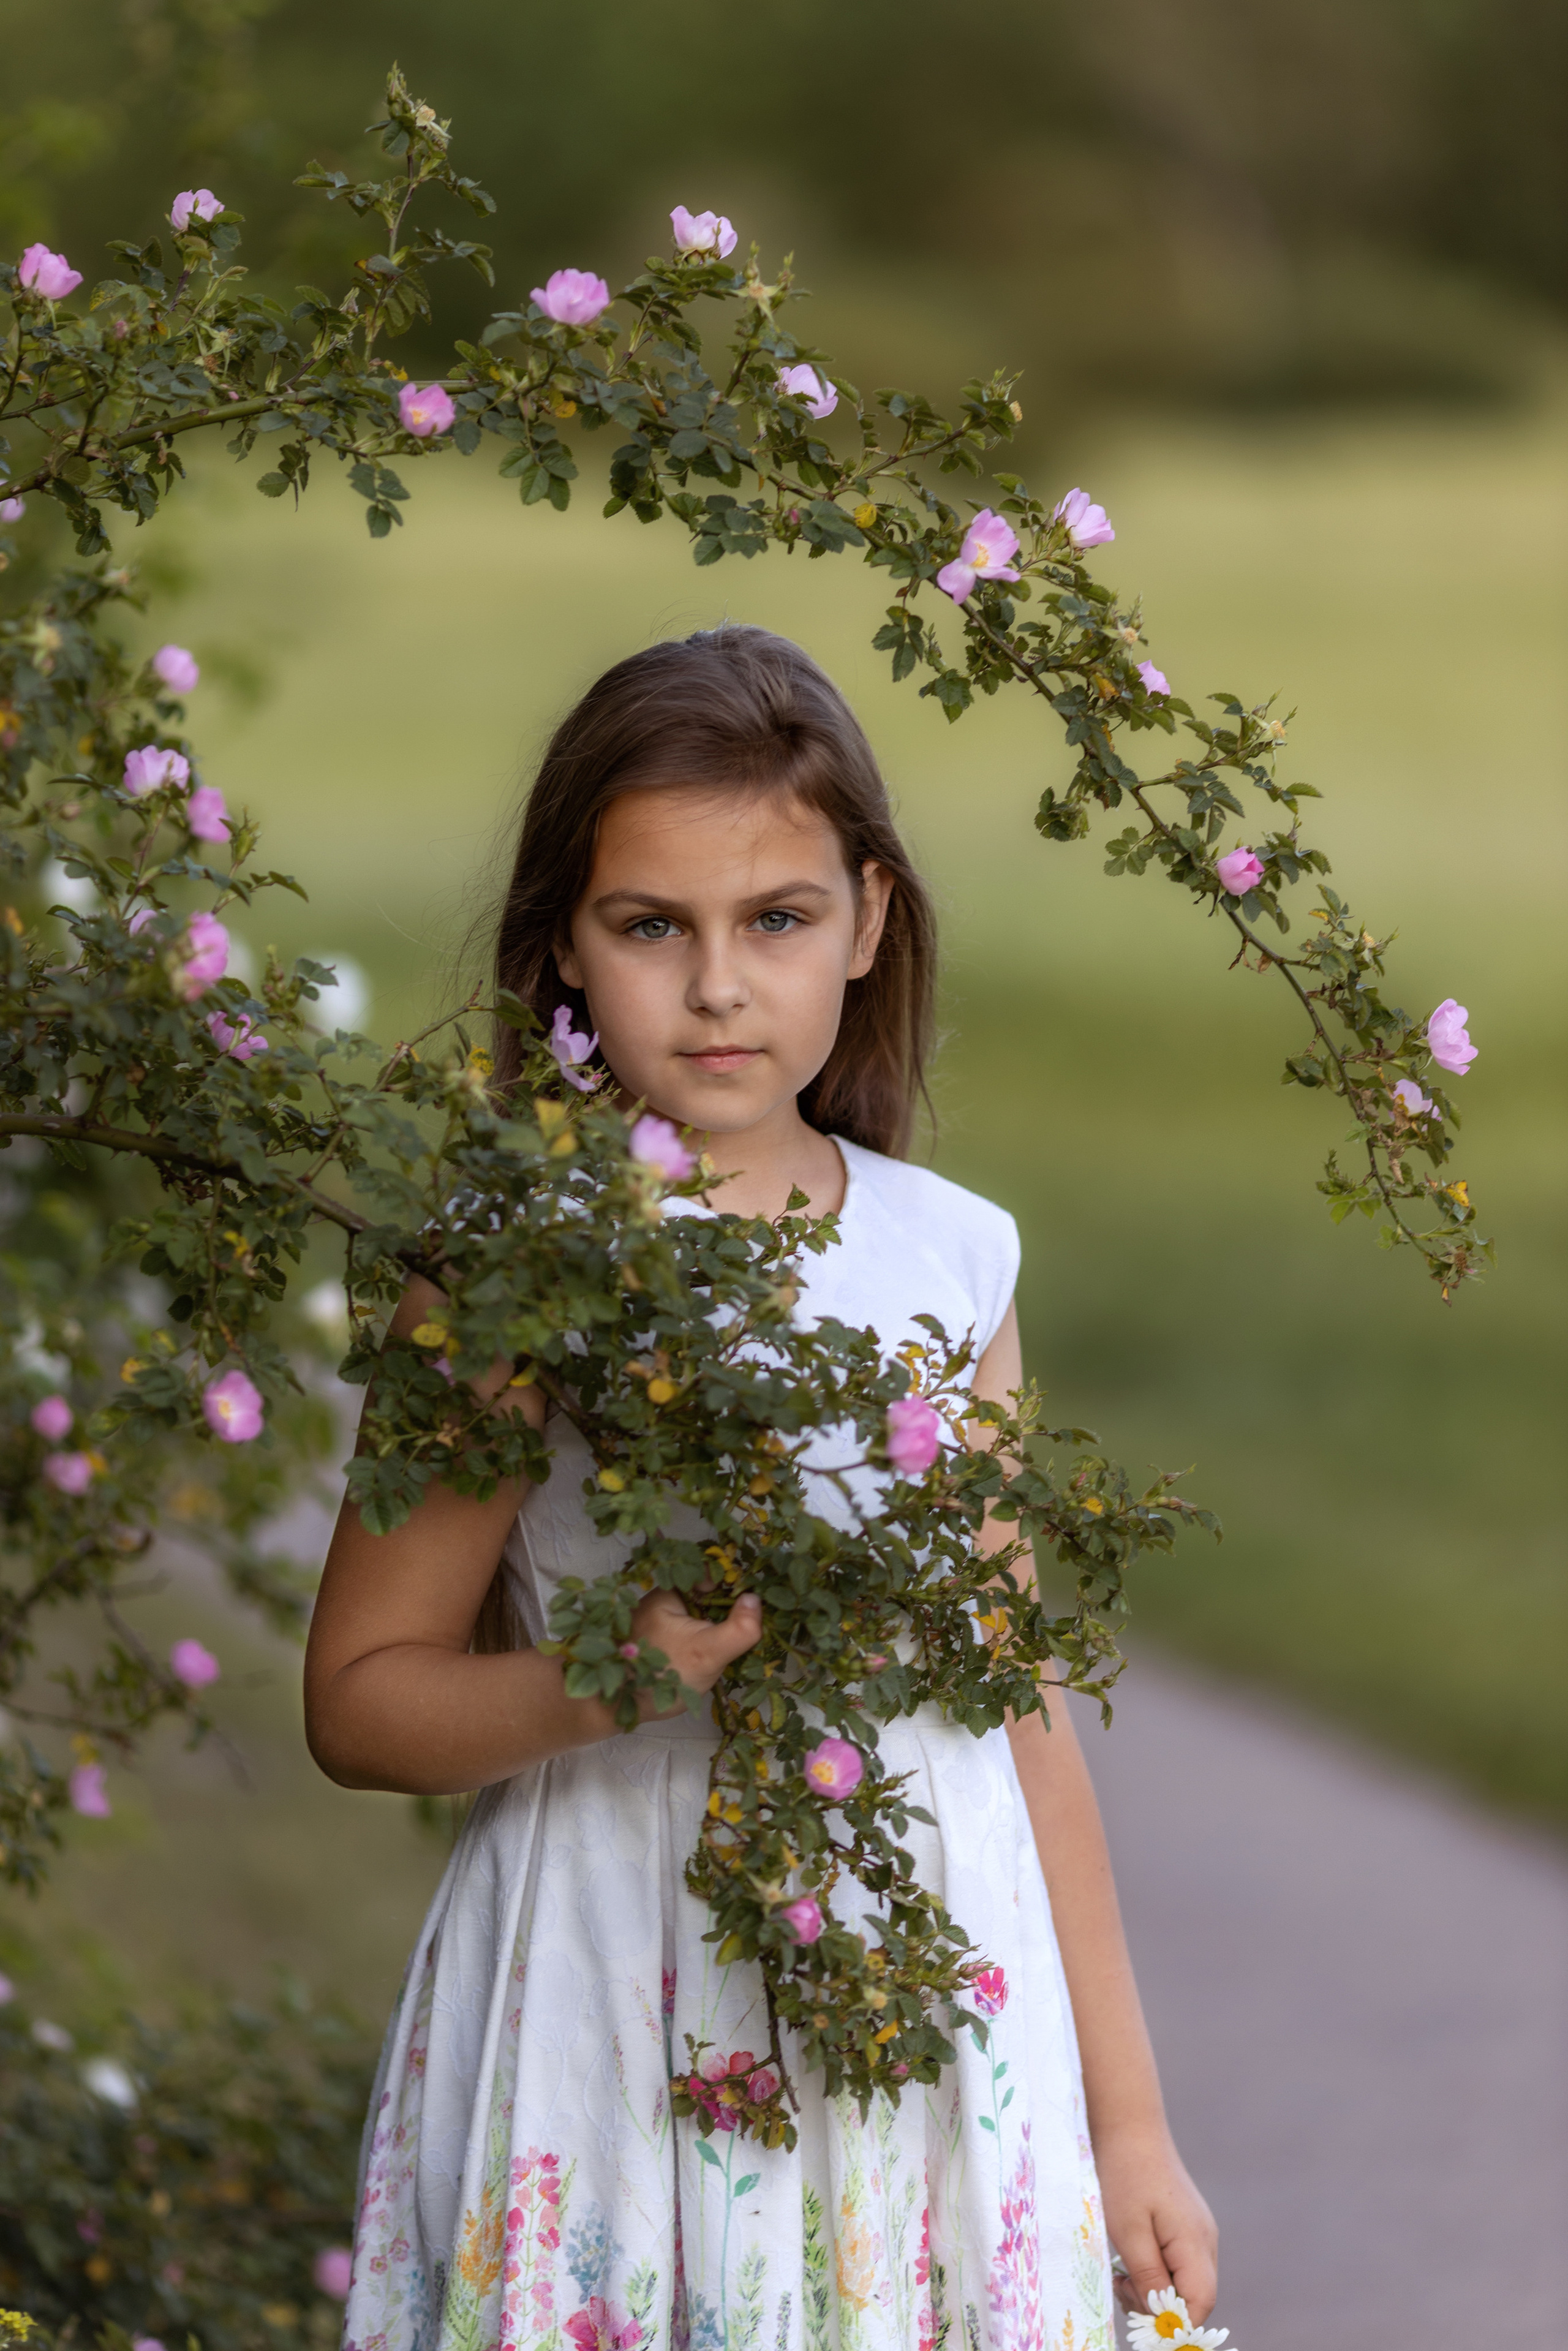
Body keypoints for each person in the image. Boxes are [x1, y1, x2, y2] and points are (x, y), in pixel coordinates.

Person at [304, 625, 1216, 2351]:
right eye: (653, 927)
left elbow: (1011, 1700)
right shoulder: (515, 1270)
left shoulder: (952, 1261)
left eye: (775, 920)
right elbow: (359, 1700)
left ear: (868, 922)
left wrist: (1127, 2120)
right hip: (620, 1974)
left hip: (929, 1994)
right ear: (564, 950)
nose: (718, 987)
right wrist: (612, 1679)